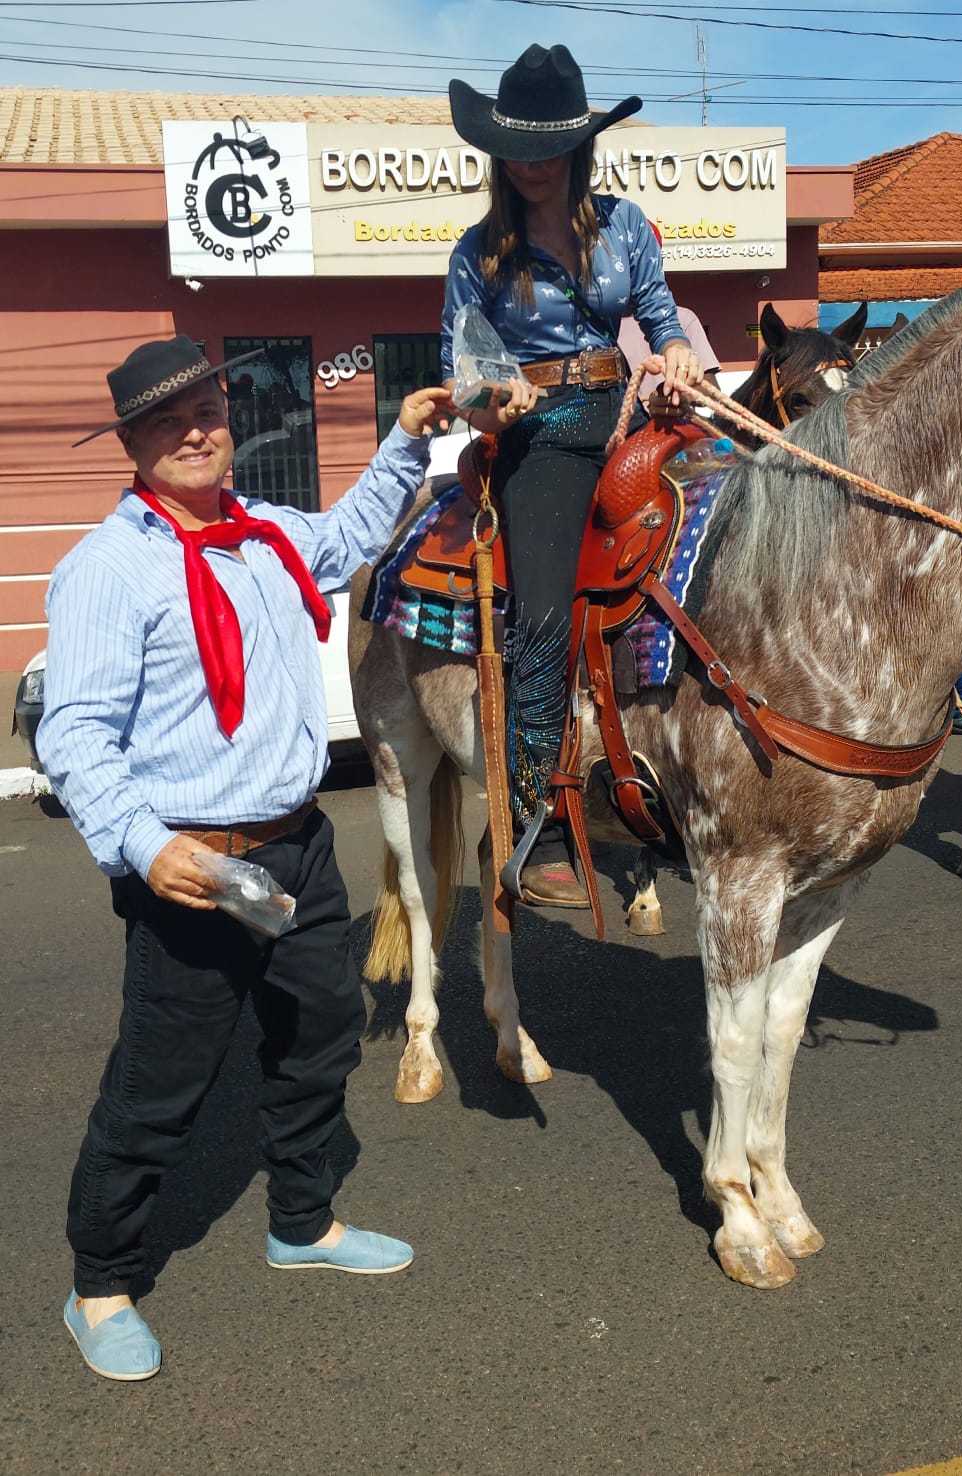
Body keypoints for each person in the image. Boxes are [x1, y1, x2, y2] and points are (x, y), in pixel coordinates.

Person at [39, 334, 453, 1382]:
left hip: (299, 848)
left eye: (207, 412)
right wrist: (144, 846)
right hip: (193, 870)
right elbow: (74, 734)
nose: (194, 434)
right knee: (160, 1085)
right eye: (166, 422)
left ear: (231, 420)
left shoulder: (268, 533)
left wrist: (405, 440)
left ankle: (301, 1224)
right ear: (132, 444)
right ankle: (100, 1285)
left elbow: (350, 533)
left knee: (319, 1038)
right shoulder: (107, 570)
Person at [443, 43, 704, 906]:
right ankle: (538, 823)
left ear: (578, 147)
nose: (532, 166)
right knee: (546, 613)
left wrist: (675, 355)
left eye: (548, 148)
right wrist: (493, 399)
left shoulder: (624, 226)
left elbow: (660, 316)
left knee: (728, 528)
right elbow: (464, 372)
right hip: (540, 439)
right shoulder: (478, 253)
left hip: (627, 414)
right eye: (516, 150)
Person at [617, 305, 721, 404]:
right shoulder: (607, 333)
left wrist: (679, 397)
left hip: (677, 416)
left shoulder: (682, 317)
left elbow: (710, 387)